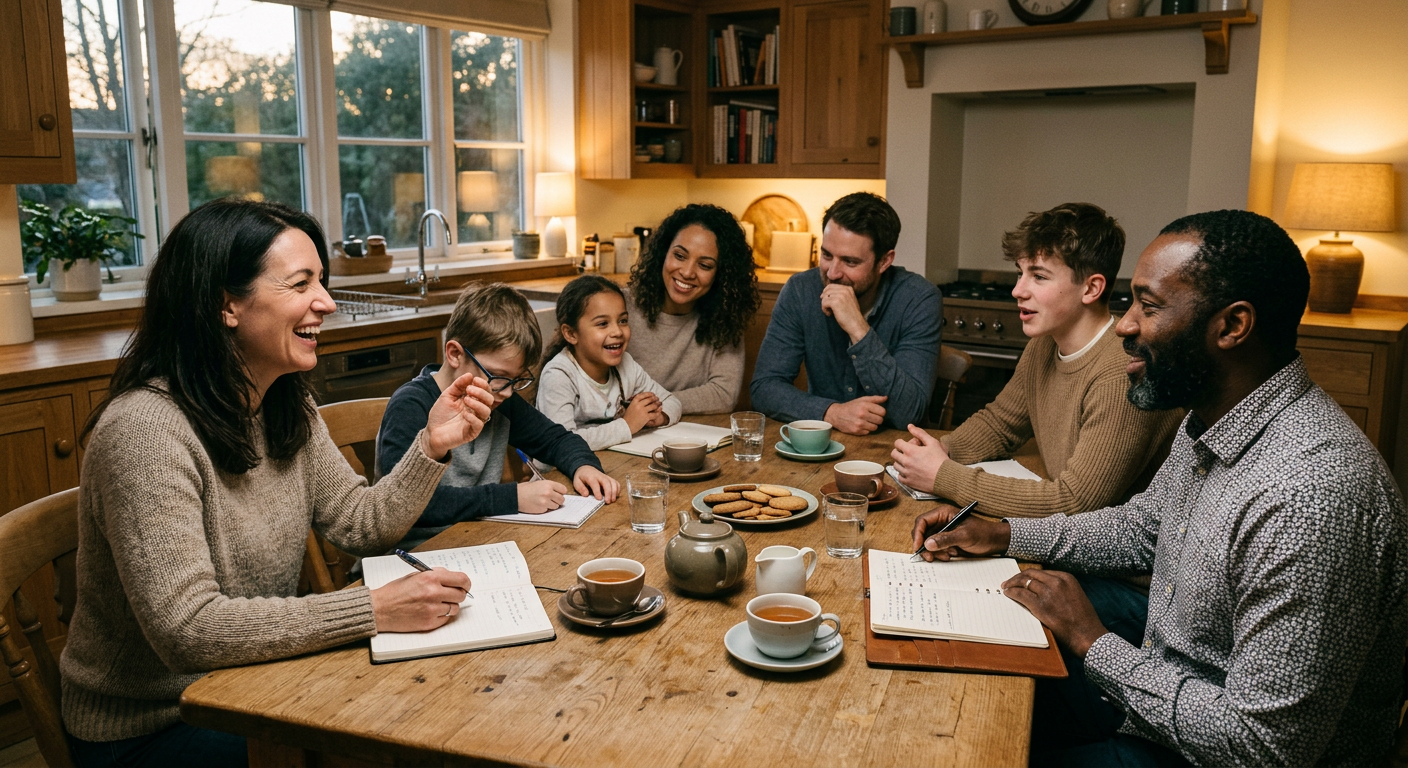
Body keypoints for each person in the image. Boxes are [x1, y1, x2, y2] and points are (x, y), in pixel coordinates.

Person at [913, 209, 1408, 767]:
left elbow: (1264, 749)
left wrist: (1093, 642)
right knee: (961, 710)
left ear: (1231, 326)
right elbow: (1140, 527)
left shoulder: (1311, 496)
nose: (1123, 326)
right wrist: (1003, 533)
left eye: (1148, 307)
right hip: (1161, 696)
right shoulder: (1210, 420)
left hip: (1210, 753)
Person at [61, 199, 495, 768]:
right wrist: (372, 610)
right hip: (153, 723)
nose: (328, 303)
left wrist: (432, 446)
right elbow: (188, 629)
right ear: (227, 305)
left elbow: (360, 524)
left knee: (432, 713)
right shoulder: (145, 431)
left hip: (251, 681)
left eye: (323, 280)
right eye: (300, 283)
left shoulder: (283, 403)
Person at [891, 203, 1181, 518]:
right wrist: (939, 451)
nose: (1018, 290)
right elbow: (1000, 424)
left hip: (1118, 557)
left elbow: (1074, 502)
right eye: (1020, 273)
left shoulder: (1122, 371)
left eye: (1039, 276)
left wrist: (943, 475)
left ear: (1091, 288)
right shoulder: (1044, 343)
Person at [376, 283, 620, 550]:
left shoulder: (498, 398)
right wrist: (511, 498)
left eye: (517, 379)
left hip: (478, 541)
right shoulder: (411, 405)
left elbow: (556, 439)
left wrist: (583, 465)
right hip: (410, 554)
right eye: (498, 376)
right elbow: (407, 506)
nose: (508, 392)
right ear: (455, 354)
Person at [749, 192, 942, 435]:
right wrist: (832, 413)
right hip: (819, 446)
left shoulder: (919, 299)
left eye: (850, 262)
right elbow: (764, 389)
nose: (832, 273)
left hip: (896, 453)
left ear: (884, 261)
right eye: (827, 255)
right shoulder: (801, 290)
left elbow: (909, 413)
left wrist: (858, 328)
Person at [626, 204, 761, 414]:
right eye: (679, 256)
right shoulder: (620, 307)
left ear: (721, 274)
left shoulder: (724, 318)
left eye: (705, 265)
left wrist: (656, 408)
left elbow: (724, 394)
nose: (687, 272)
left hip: (687, 437)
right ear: (663, 253)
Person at [537, 274, 682, 450]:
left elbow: (672, 402)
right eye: (603, 323)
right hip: (558, 475)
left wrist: (658, 416)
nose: (617, 331)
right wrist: (627, 425)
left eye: (622, 321)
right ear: (571, 334)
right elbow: (560, 443)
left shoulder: (626, 366)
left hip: (612, 467)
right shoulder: (559, 376)